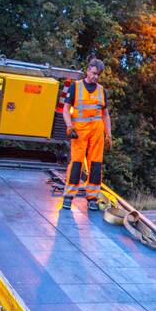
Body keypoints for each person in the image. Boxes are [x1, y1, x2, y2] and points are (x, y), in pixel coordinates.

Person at [62, 59, 112, 210]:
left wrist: (108, 134)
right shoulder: (75, 87)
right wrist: (69, 126)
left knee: (96, 164)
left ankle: (92, 197)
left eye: (98, 75)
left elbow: (105, 114)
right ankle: (69, 196)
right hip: (79, 131)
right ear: (88, 70)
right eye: (94, 73)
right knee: (76, 163)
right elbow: (66, 109)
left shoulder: (102, 90)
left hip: (97, 131)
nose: (96, 77)